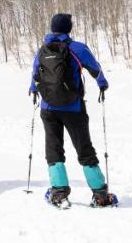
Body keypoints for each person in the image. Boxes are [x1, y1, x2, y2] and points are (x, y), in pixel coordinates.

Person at [29, 12, 115, 207]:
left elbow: (35, 75)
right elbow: (96, 69)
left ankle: (59, 192)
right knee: (84, 148)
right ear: (69, 28)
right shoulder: (77, 48)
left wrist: (34, 90)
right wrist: (102, 84)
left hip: (48, 108)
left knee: (54, 148)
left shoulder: (42, 50)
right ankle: (100, 193)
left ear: (52, 28)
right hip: (73, 108)